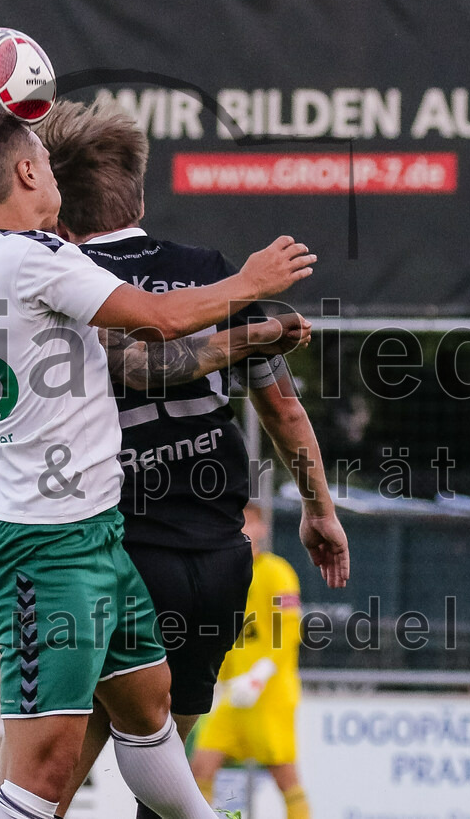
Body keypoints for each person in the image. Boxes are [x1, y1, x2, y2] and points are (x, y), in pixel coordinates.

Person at [0, 108, 317, 819]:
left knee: (150, 711)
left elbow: (39, 389)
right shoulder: (38, 262)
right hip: (47, 548)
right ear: (25, 173)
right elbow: (158, 332)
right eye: (38, 158)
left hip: (98, 536)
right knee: (45, 777)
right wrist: (253, 287)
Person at [36, 98, 348, 818]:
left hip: (111, 554)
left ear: (55, 207)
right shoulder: (208, 273)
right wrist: (319, 508)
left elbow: (106, 376)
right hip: (213, 559)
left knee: (49, 780)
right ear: (140, 192)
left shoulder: (60, 282)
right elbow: (282, 407)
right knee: (167, 781)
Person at [191, 503, 310, 819]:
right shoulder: (224, 575)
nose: (243, 529)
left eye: (249, 523)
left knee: (284, 775)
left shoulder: (277, 571)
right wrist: (218, 683)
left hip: (270, 693)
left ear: (261, 529)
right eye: (236, 523)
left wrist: (261, 674)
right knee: (200, 767)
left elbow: (289, 629)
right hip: (234, 693)